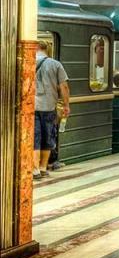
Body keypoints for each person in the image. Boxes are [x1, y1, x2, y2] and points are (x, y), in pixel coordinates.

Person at [34, 39, 70, 179]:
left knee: (34, 138)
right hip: (49, 106)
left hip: (31, 107)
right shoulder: (55, 64)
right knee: (47, 137)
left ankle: (34, 169)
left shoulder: (27, 62)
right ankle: (43, 167)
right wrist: (66, 105)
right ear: (46, 49)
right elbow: (64, 87)